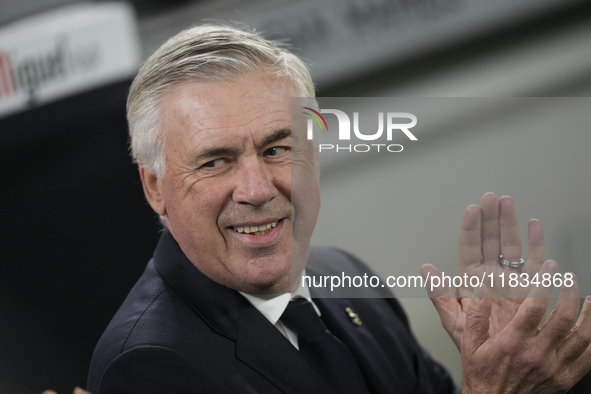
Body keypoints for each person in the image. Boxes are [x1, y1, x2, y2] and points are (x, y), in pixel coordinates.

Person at [85, 24, 591, 393]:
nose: (257, 188)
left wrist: (504, 373)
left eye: (278, 149)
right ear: (155, 187)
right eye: (216, 161)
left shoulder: (345, 274)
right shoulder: (148, 365)